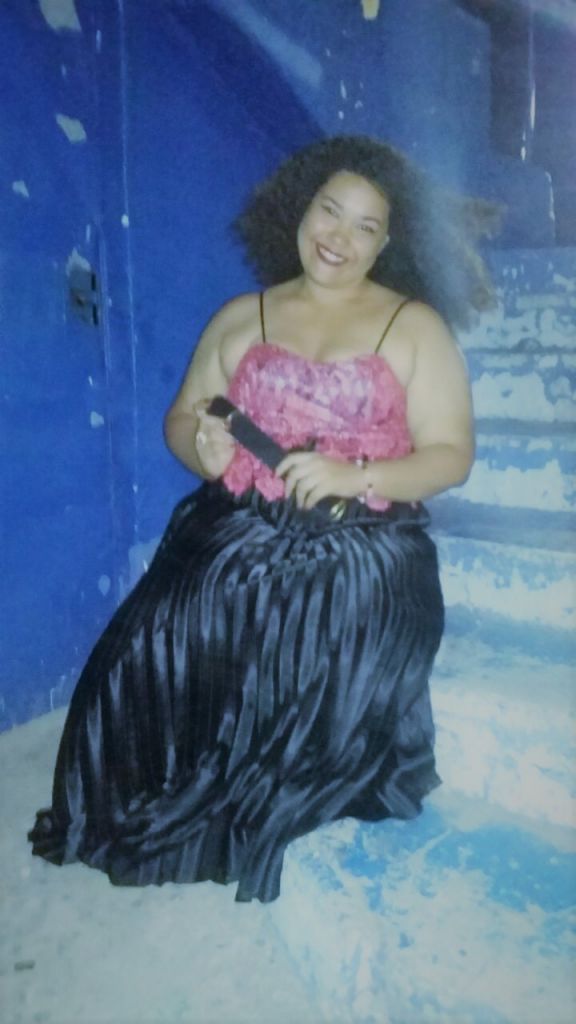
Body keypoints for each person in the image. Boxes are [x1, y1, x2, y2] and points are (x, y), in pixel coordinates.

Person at [29, 136, 496, 903]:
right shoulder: (241, 316)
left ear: (389, 242)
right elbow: (184, 417)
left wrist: (357, 473)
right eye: (329, 211)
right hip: (239, 522)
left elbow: (451, 455)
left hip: (363, 541)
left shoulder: (414, 327)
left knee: (310, 625)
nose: (339, 237)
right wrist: (202, 444)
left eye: (366, 226)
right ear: (299, 209)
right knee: (151, 641)